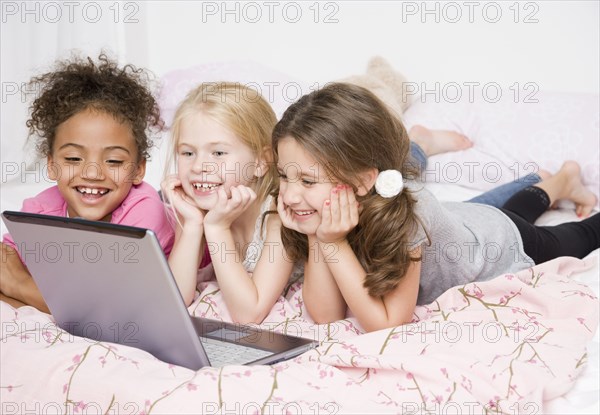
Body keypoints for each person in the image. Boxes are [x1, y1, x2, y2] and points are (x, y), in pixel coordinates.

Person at [273, 82, 599, 332]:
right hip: (465, 221)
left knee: (580, 236)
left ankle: (563, 181)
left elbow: (387, 324)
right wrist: (318, 238)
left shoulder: (407, 219)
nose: (288, 195)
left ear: (363, 182)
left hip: (503, 242)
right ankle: (562, 181)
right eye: (284, 176)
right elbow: (325, 316)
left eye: (307, 181)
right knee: (510, 210)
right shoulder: (325, 214)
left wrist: (332, 242)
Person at [0, 54, 175, 313]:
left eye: (114, 161)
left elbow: (105, 308)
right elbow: (6, 260)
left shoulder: (145, 213)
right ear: (51, 164)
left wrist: (21, 286)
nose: (92, 173)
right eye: (73, 158)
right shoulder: (41, 210)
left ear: (138, 170)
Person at [161, 82, 295, 324]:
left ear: (260, 161)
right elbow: (174, 301)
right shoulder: (198, 209)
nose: (199, 166)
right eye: (188, 153)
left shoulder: (279, 216)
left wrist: (217, 228)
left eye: (218, 153)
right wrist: (192, 225)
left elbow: (249, 313)